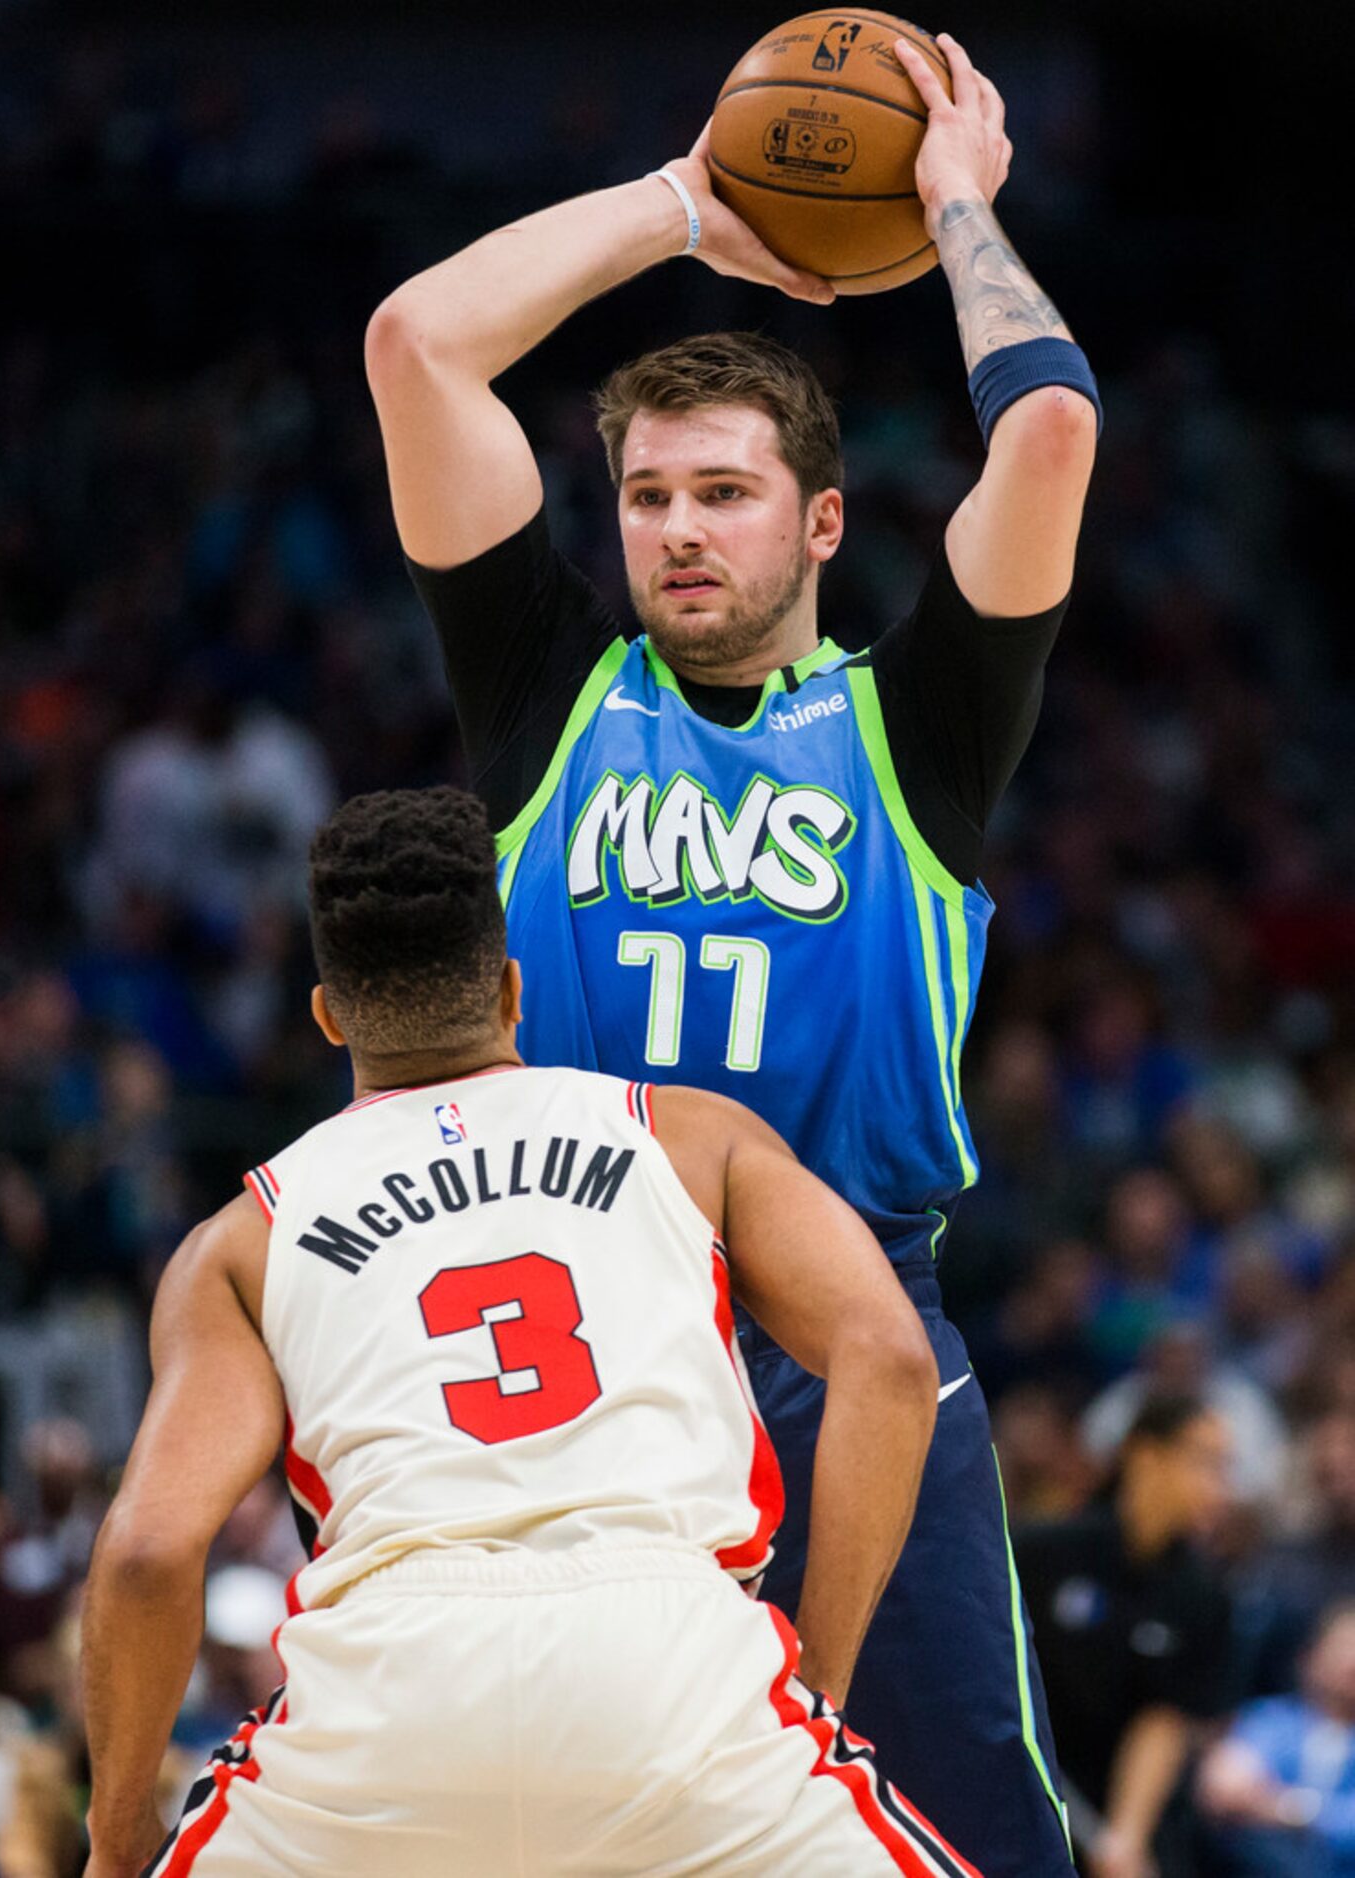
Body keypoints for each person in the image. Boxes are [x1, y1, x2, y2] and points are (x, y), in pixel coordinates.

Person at [364, 27, 1098, 1876]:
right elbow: (415, 345)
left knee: (963, 1831)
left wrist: (949, 211)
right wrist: (683, 201)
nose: (677, 531)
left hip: (846, 1329)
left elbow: (1051, 430)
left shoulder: (919, 721)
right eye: (645, 496)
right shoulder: (547, 687)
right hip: (587, 1328)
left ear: (822, 519)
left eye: (723, 491)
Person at [80, 786, 967, 1878]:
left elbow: (147, 1552)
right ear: (509, 987)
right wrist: (816, 1688)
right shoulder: (684, 1135)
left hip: (386, 1700)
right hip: (674, 1666)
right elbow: (891, 1358)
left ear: (326, 1015)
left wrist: (116, 1840)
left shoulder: (243, 1237)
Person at [1014, 1393, 1237, 1878]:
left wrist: (1125, 1838)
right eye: (1207, 1462)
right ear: (1144, 1454)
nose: (1219, 1488)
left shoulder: (1204, 1596)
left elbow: (1164, 1720)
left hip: (1129, 1818)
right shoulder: (1041, 1553)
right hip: (1026, 1790)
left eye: (1226, 1469)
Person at [1199, 1598, 1355, 1877]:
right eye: (1343, 1646)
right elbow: (1224, 1790)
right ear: (1310, 1657)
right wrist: (1323, 1814)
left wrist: (1284, 1806)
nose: (1351, 1661)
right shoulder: (1268, 1719)